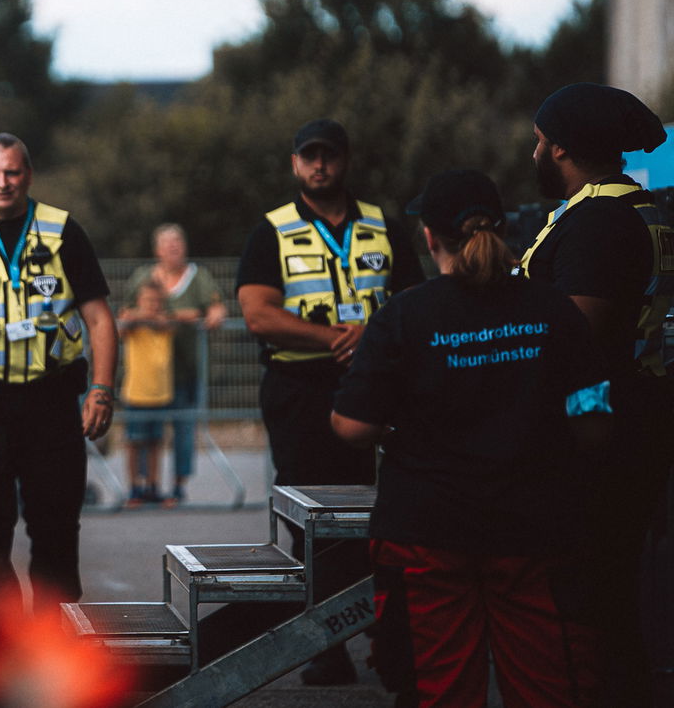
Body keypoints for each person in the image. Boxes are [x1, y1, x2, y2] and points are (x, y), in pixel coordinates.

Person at [333, 169, 610, 708]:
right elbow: (595, 423)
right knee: (550, 689)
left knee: (438, 692)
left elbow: (352, 425)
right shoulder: (555, 310)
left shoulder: (404, 316)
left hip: (426, 535)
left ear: (429, 237)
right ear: (504, 230)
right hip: (535, 532)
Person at [236, 117, 424, 686]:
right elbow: (258, 313)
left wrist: (374, 337)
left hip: (375, 389)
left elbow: (413, 300)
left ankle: (385, 635)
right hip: (300, 391)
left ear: (345, 160)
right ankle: (327, 644)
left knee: (380, 513)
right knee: (312, 518)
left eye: (329, 155)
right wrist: (336, 339)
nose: (319, 165)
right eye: (309, 156)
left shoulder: (381, 224)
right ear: (295, 163)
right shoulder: (272, 229)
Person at [518, 82, 674, 707]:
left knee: (594, 581)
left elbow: (575, 336)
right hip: (640, 408)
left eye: (537, 142)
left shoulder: (598, 221)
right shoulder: (641, 206)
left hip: (602, 423)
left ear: (560, 149)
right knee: (617, 575)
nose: (532, 153)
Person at [0, 132, 115, 607]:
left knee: (55, 530)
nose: (3, 182)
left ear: (28, 175)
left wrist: (102, 390)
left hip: (52, 401)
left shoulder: (62, 230)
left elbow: (98, 318)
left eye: (12, 172)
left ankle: (58, 647)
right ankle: (4, 650)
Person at [123, 223, 225, 506]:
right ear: (157, 249)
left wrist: (214, 313)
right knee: (144, 434)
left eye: (178, 243)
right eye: (168, 244)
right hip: (147, 374)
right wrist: (174, 317)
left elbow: (215, 305)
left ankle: (178, 486)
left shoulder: (199, 276)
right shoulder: (143, 277)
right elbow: (126, 312)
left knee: (182, 430)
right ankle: (144, 486)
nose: (173, 248)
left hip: (185, 368)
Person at [117, 277, 174, 506]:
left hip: (160, 393)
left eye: (156, 301)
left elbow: (167, 324)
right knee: (133, 443)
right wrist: (134, 316)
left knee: (155, 443)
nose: (152, 305)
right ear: (139, 300)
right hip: (135, 392)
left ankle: (152, 486)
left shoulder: (164, 322)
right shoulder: (132, 322)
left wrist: (143, 316)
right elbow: (121, 328)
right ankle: (133, 489)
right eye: (148, 300)